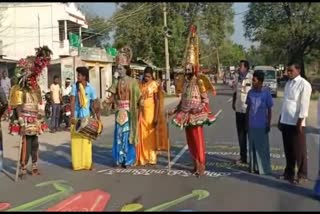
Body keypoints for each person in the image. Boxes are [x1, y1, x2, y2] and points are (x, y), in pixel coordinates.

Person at [169, 25, 216, 176]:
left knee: (198, 141)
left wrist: (200, 108)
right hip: (186, 114)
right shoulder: (185, 82)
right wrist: (175, 110)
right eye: (186, 68)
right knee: (190, 142)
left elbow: (205, 99)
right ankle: (194, 164)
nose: (187, 70)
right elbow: (183, 99)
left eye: (190, 68)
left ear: (194, 68)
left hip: (196, 114)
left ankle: (201, 165)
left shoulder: (199, 81)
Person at [9, 46, 52, 179]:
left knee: (35, 144)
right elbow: (18, 108)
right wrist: (21, 123)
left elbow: (39, 104)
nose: (33, 79)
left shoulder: (36, 88)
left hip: (35, 121)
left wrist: (41, 115)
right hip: (25, 121)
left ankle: (34, 166)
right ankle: (22, 168)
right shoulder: (19, 89)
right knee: (26, 146)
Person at [278, 62, 312, 184]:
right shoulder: (288, 83)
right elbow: (286, 103)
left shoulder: (304, 85)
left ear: (298, 70)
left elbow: (304, 105)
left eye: (290, 71)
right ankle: (289, 172)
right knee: (288, 149)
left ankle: (302, 174)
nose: (288, 73)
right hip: (286, 120)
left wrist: (300, 122)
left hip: (297, 123)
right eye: (287, 71)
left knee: (300, 150)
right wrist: (281, 119)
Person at [108, 46, 141, 168]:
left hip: (129, 111)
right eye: (118, 68)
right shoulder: (116, 82)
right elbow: (112, 94)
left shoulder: (132, 81)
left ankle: (128, 159)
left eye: (121, 68)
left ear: (126, 69)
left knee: (128, 135)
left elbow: (139, 96)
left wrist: (140, 106)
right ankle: (119, 159)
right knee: (119, 135)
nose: (119, 70)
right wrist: (107, 102)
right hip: (119, 112)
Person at [70, 66, 101, 171]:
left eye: (79, 75)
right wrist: (72, 116)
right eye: (77, 74)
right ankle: (77, 164)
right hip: (77, 117)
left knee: (87, 142)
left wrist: (98, 118)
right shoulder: (75, 87)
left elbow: (95, 103)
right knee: (76, 141)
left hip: (86, 117)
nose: (77, 76)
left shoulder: (91, 88)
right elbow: (73, 101)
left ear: (84, 77)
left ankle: (88, 163)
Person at [246, 70, 273, 175]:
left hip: (262, 125)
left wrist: (268, 124)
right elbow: (248, 108)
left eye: (254, 80)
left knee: (262, 148)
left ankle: (263, 169)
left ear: (260, 82)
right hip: (251, 124)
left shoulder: (266, 94)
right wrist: (246, 123)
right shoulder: (250, 93)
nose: (252, 82)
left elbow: (269, 110)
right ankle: (253, 168)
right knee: (252, 148)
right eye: (252, 80)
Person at [136, 67, 161, 166]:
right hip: (142, 112)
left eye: (148, 76)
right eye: (145, 76)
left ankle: (151, 157)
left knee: (150, 135)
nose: (147, 78)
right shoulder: (141, 85)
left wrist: (156, 116)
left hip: (151, 112)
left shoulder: (154, 85)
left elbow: (157, 100)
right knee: (142, 134)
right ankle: (143, 157)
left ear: (152, 76)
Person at [232, 60, 253, 164]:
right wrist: (233, 103)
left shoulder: (252, 77)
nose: (239, 68)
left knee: (250, 134)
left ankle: (253, 159)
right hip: (239, 109)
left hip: (249, 110)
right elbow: (235, 91)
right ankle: (243, 157)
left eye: (240, 66)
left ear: (246, 68)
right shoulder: (236, 77)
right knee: (241, 135)